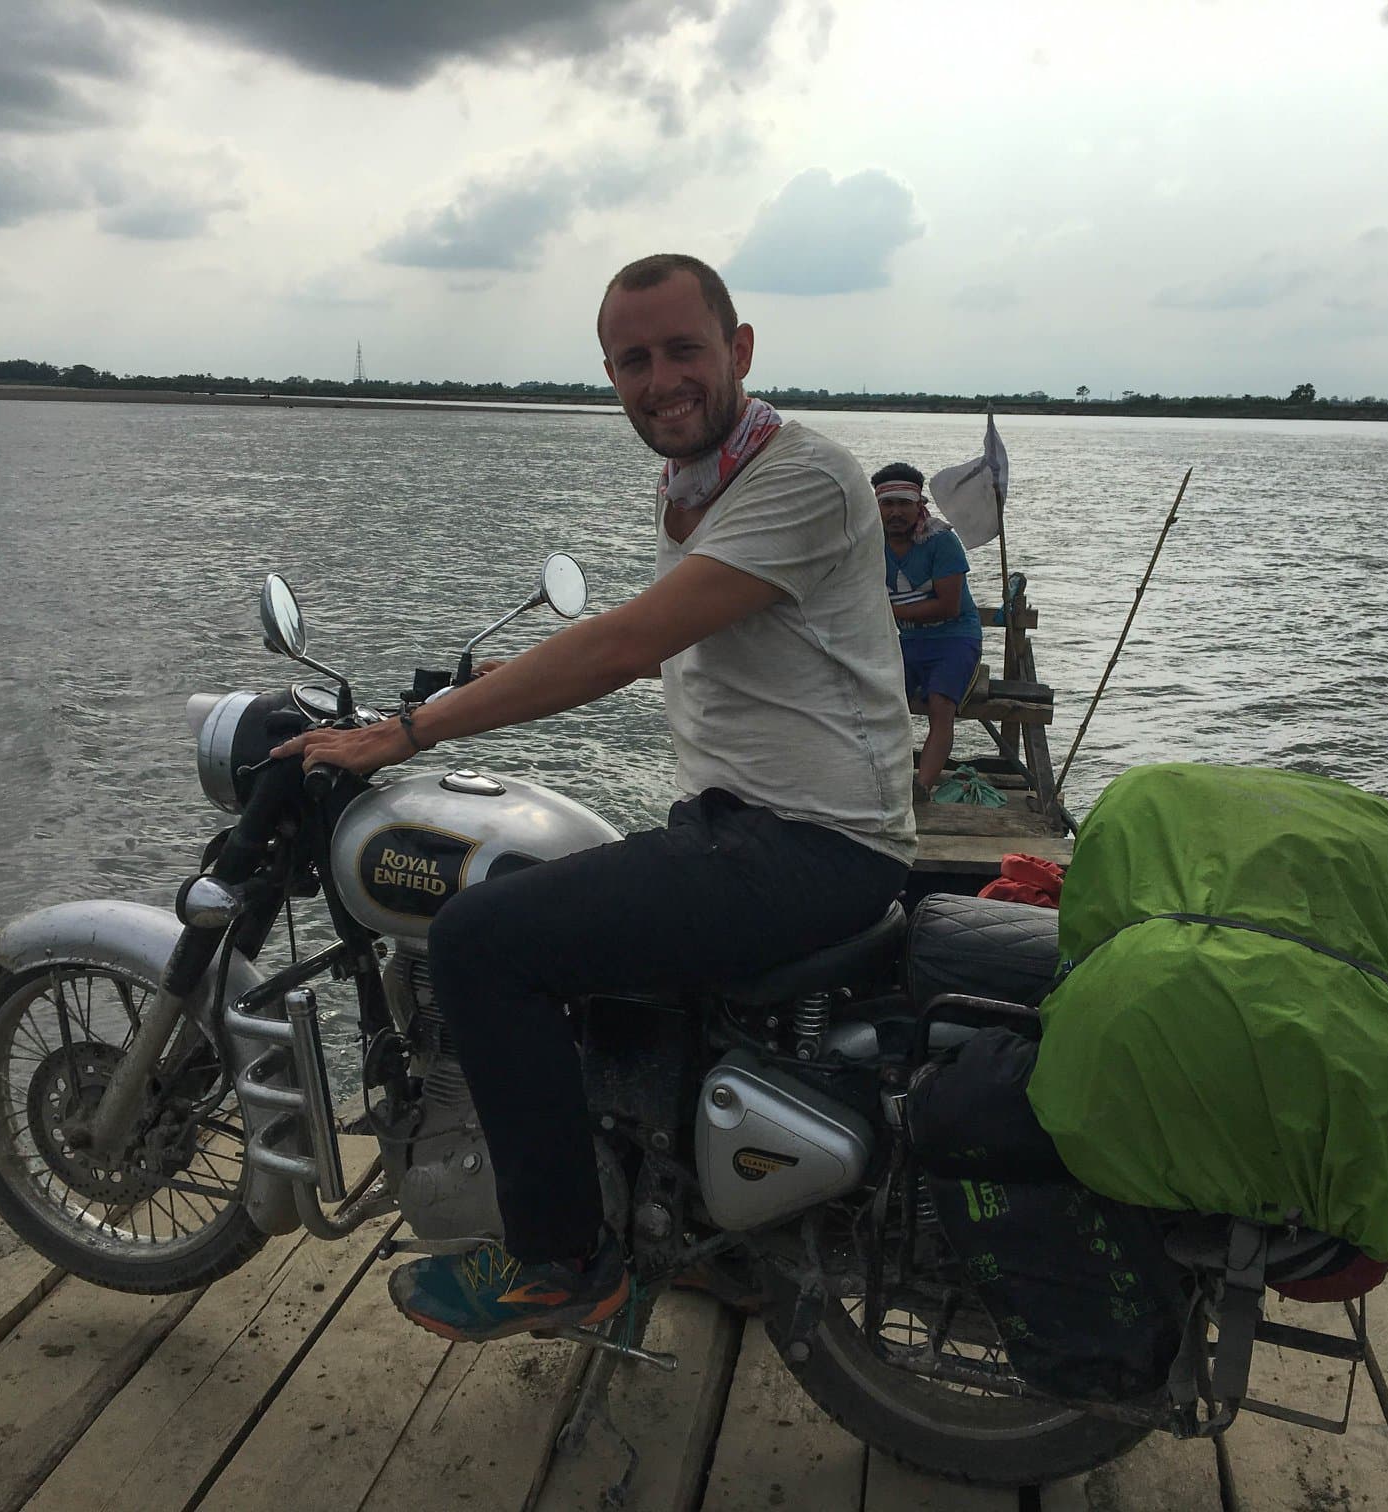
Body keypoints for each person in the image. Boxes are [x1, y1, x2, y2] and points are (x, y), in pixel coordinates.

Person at [272, 253, 916, 1343]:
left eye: (682, 351)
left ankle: (558, 1263)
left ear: (740, 350)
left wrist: (408, 731)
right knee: (577, 926)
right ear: (609, 375)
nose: (659, 380)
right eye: (632, 361)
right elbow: (675, 635)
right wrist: (482, 684)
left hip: (806, 847)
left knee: (482, 943)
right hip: (753, 827)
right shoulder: (701, 484)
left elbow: (622, 644)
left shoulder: (803, 478)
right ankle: (698, 1229)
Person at [874, 462, 983, 798]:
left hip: (952, 637)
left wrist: (886, 612)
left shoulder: (941, 541)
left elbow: (948, 606)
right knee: (882, 703)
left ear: (919, 505)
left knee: (940, 704)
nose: (896, 513)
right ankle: (884, 780)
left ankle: (921, 786)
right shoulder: (867, 542)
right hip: (901, 639)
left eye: (904, 504)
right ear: (875, 506)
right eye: (887, 504)